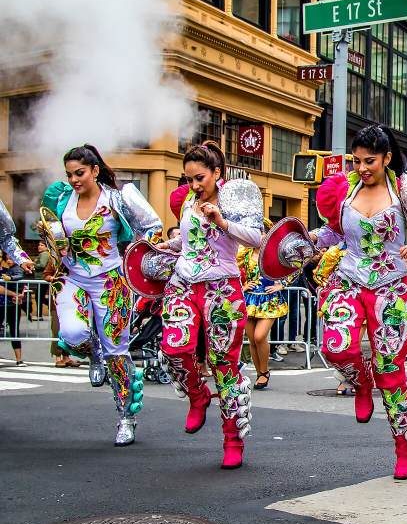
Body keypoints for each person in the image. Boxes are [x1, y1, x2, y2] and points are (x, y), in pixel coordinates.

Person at [260, 124, 407, 480]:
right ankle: (360, 383)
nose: (361, 167)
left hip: (392, 286)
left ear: (387, 158)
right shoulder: (344, 191)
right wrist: (312, 238)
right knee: (336, 346)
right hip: (349, 279)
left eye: (369, 160)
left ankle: (404, 446)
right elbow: (336, 231)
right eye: (357, 160)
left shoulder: (406, 190)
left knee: (391, 373)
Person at [42, 145, 162, 446]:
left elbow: (152, 226)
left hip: (111, 283)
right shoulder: (60, 200)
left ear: (95, 171)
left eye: (79, 173)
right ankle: (93, 350)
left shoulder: (118, 197)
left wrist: (135, 260)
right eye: (69, 174)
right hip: (74, 279)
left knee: (117, 353)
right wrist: (55, 249)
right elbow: (51, 234)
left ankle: (125, 418)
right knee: (71, 334)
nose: (73, 180)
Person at [157, 140, 262, 469]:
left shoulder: (234, 198)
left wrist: (221, 220)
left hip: (222, 288)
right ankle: (197, 394)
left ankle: (232, 439)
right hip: (184, 283)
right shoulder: (189, 200)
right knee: (173, 347)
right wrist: (164, 246)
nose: (194, 185)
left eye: (200, 178)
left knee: (224, 365)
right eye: (189, 179)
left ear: (217, 173)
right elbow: (188, 240)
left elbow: (257, 238)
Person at [238, 220, 288, 390]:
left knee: (260, 336)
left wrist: (282, 284)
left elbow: (297, 265)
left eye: (262, 232)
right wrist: (242, 286)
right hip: (249, 299)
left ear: (268, 234)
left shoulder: (276, 253)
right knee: (252, 340)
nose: (259, 235)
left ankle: (265, 371)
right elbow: (231, 268)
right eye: (255, 232)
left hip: (270, 299)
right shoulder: (244, 253)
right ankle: (260, 373)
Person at [0, 252, 26, 365]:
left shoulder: (9, 271)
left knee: (15, 330)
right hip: (2, 304)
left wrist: (21, 294)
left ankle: (19, 359)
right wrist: (14, 294)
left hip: (12, 304)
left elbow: (22, 282)